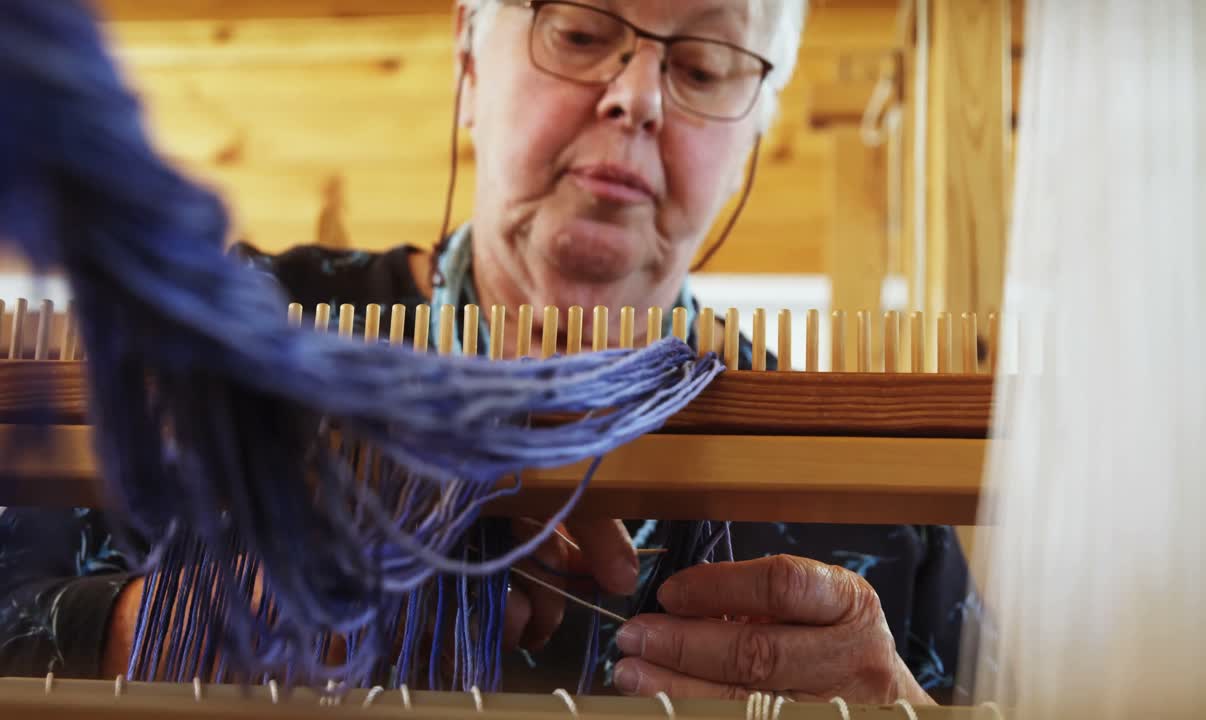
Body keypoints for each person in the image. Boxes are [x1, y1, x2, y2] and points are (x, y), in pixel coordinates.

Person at [0, 0, 977, 705]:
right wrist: (170, 629)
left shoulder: (878, 498)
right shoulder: (216, 344)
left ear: (755, 128)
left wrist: (900, 711)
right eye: (581, 32)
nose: (639, 97)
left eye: (706, 65)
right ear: (469, 62)